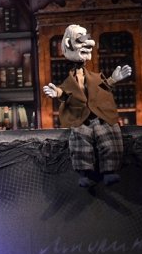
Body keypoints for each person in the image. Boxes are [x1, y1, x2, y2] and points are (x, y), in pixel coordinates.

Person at [42, 24, 131, 187]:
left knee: (109, 135)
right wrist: (57, 93)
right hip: (81, 117)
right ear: (68, 44)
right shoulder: (70, 81)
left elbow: (103, 87)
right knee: (79, 140)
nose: (87, 44)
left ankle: (109, 171)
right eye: (80, 39)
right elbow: (65, 92)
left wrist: (113, 79)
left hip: (99, 115)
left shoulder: (95, 77)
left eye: (87, 39)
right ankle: (85, 174)